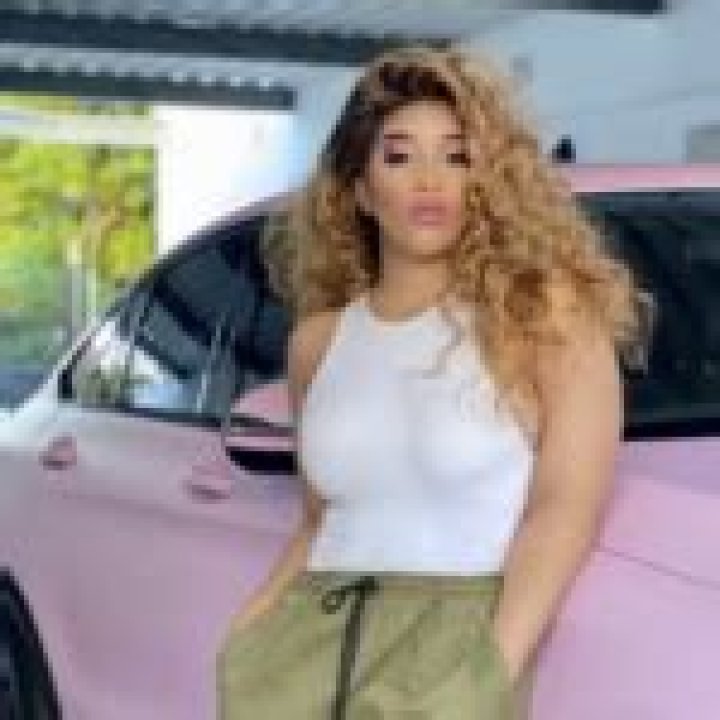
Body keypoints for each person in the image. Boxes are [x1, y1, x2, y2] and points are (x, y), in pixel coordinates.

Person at [216, 45, 649, 719]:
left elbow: (564, 510)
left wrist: (488, 671)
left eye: (456, 155)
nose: (429, 179)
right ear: (359, 189)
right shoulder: (317, 342)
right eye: (399, 156)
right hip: (301, 651)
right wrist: (245, 641)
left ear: (487, 178)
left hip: (454, 649)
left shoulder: (543, 317)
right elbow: (320, 520)